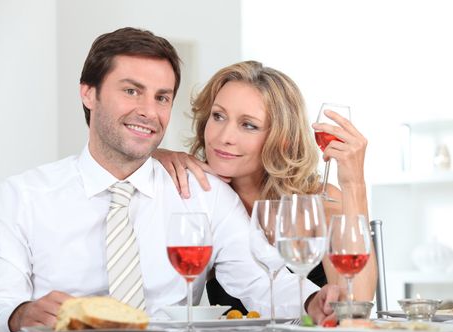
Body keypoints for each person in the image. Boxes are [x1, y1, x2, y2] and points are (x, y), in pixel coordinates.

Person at [0, 28, 338, 332]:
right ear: (89, 93)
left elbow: (262, 280)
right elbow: (2, 300)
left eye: (161, 97)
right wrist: (19, 314)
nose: (148, 110)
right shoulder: (21, 196)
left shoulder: (206, 194)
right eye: (131, 91)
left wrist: (312, 303)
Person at [153, 61, 377, 310]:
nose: (224, 137)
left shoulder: (319, 204)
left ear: (282, 139)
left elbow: (356, 302)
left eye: (248, 125)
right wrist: (151, 156)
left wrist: (354, 181)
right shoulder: (196, 195)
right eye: (218, 116)